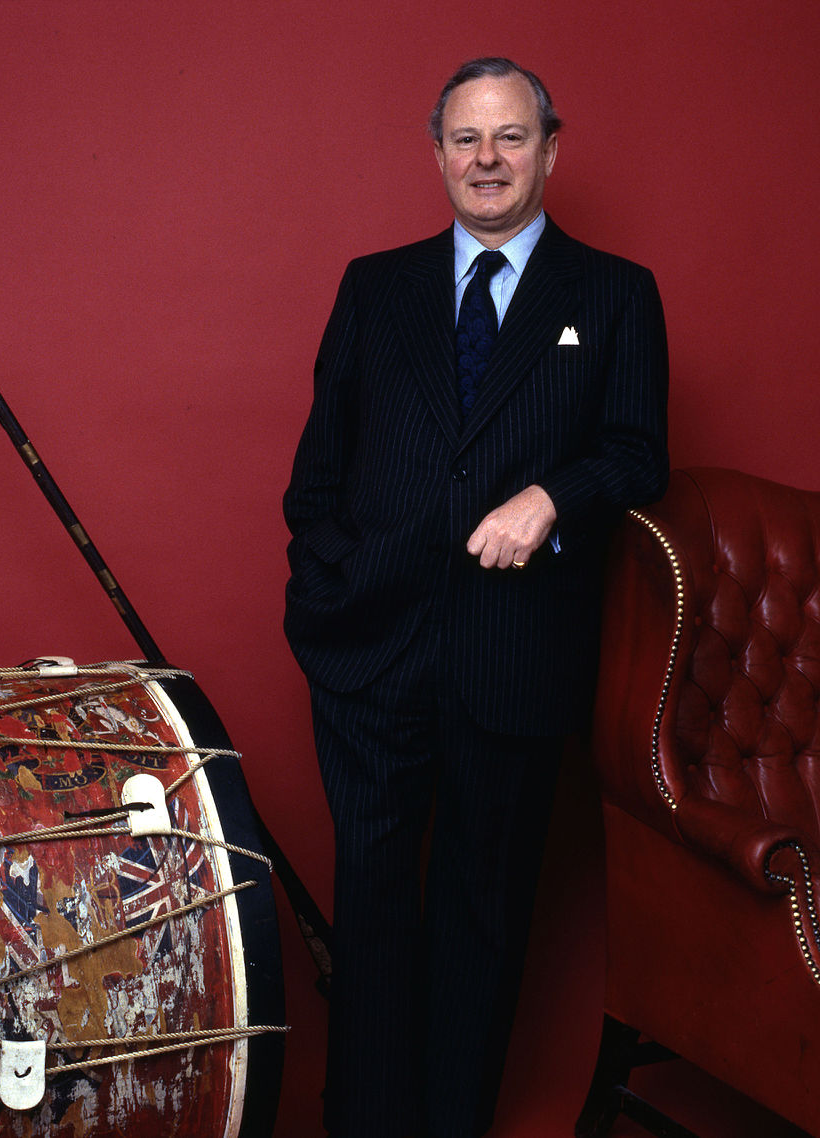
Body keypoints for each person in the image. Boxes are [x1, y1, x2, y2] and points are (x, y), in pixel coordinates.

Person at [283, 56, 668, 1138]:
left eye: (510, 136)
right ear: (438, 153)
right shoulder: (374, 286)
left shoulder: (614, 293)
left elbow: (640, 454)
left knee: (482, 913)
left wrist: (552, 496)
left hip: (514, 655)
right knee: (371, 908)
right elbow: (316, 477)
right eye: (466, 138)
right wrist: (334, 579)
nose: (487, 159)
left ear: (550, 149)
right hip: (370, 652)